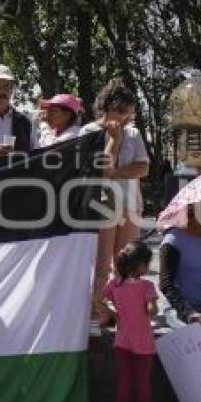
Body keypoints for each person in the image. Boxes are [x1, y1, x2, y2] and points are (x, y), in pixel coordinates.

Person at [79, 78, 150, 335]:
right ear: (105, 108)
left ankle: (127, 312)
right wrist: (114, 141)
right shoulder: (88, 132)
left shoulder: (134, 132)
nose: (125, 117)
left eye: (129, 112)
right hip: (101, 206)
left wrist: (116, 173)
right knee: (101, 265)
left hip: (130, 205)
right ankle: (95, 313)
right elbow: (98, 169)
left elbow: (143, 167)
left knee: (128, 262)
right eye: (120, 111)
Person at [103, 242, 158, 402]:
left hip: (123, 340)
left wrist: (113, 312)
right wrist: (151, 309)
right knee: (142, 382)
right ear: (141, 265)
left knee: (124, 381)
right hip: (144, 342)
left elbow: (98, 300)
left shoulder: (115, 284)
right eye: (147, 263)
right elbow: (152, 310)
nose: (149, 267)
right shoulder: (147, 286)